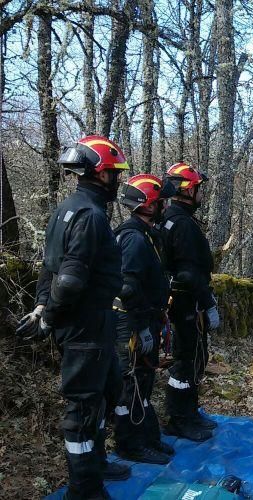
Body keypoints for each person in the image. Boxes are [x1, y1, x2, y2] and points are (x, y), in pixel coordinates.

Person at [15, 135, 130, 499]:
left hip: (95, 325)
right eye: (114, 174)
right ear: (98, 174)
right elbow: (68, 277)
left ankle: (96, 463)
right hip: (84, 327)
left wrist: (40, 307)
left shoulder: (67, 209)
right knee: (82, 406)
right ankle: (84, 488)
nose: (117, 181)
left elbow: (49, 269)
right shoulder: (91, 216)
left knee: (105, 393)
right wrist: (49, 316)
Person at [113, 174, 177, 464]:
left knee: (144, 380)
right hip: (131, 322)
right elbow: (127, 287)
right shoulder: (134, 239)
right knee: (133, 383)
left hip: (145, 318)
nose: (166, 206)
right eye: (161, 202)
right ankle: (130, 444)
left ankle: (147, 437)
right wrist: (141, 327)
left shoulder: (146, 235)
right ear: (150, 206)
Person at [161, 162, 219, 442]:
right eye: (198, 189)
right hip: (186, 304)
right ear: (188, 190)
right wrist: (207, 303)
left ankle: (189, 412)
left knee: (194, 358)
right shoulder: (181, 223)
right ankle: (180, 418)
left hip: (184, 301)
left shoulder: (172, 217)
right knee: (186, 361)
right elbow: (187, 271)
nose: (201, 195)